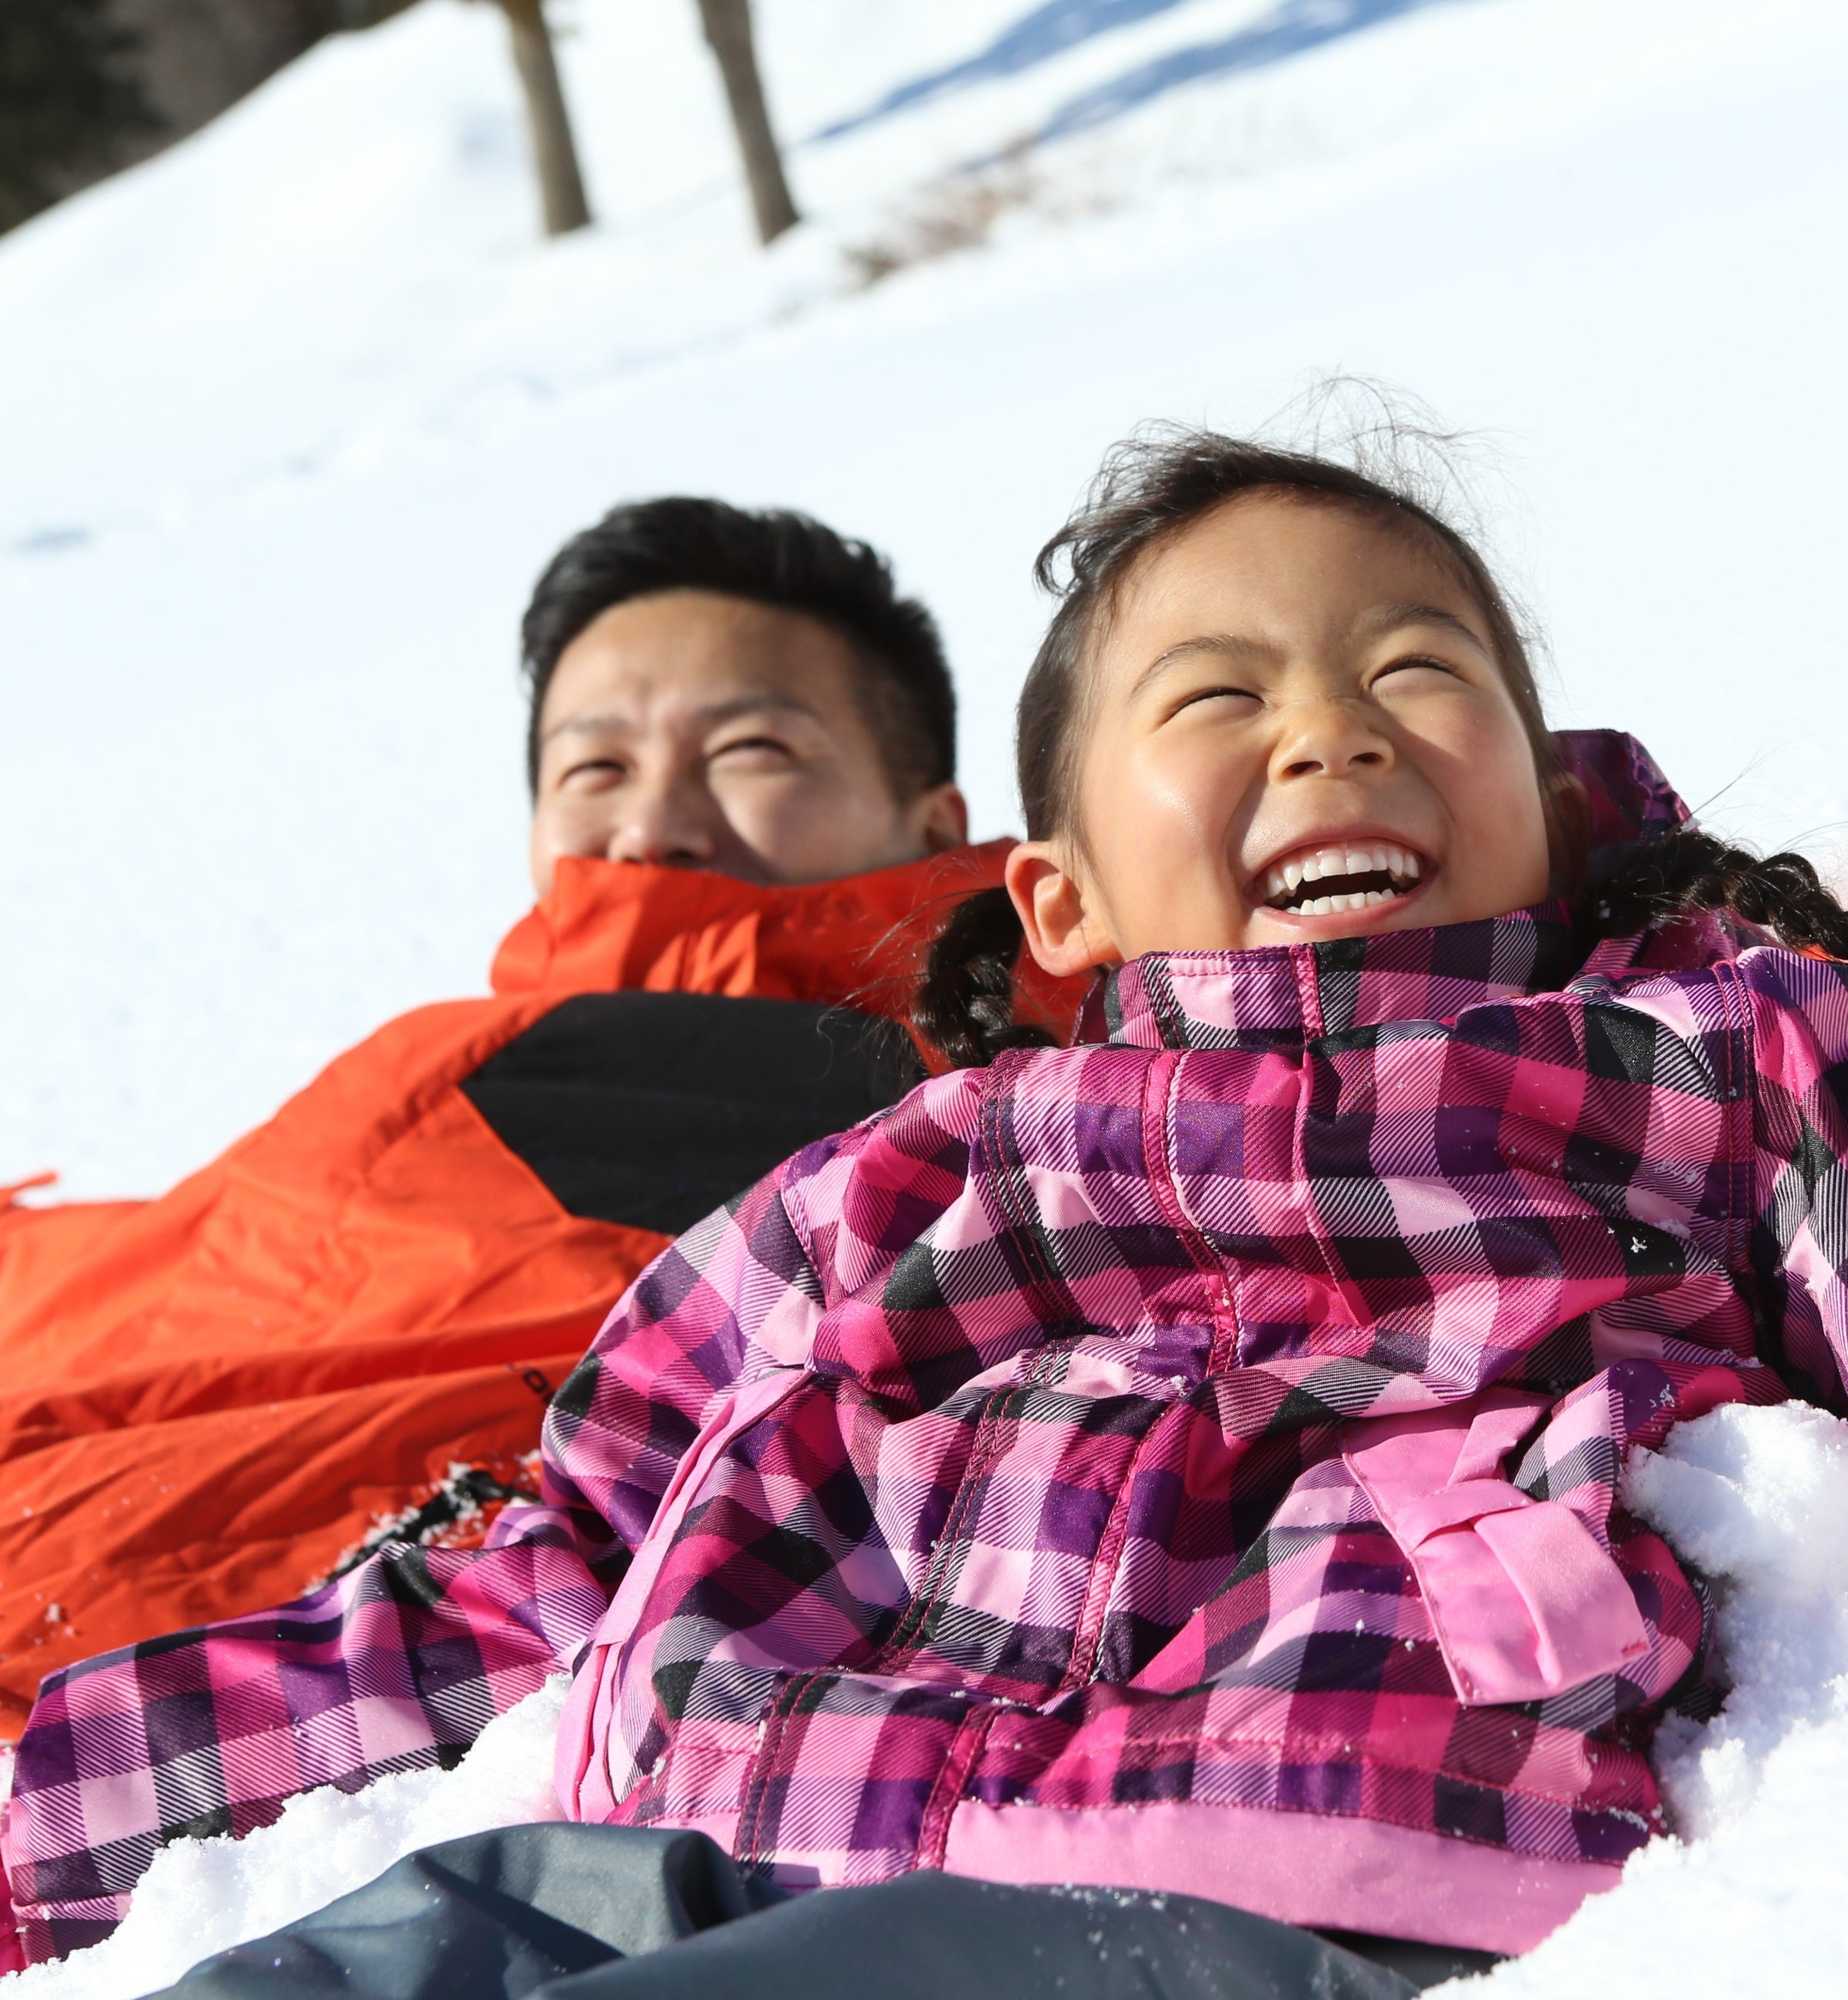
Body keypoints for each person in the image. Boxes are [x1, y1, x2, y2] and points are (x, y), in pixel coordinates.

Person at [8, 434, 1848, 1989]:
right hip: (708, 1803)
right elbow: (504, 1586)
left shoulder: (1645, 1070)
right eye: (1223, 693)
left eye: (1412, 669)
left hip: (1205, 1828)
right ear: (1056, 881)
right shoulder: (842, 1181)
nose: (1325, 727)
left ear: (938, 840)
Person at [0, 498, 1086, 1728]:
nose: (649, 824)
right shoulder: (450, 1064)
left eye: (751, 751)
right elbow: (192, 1267)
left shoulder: (1036, 1105)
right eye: (594, 768)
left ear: (932, 823)